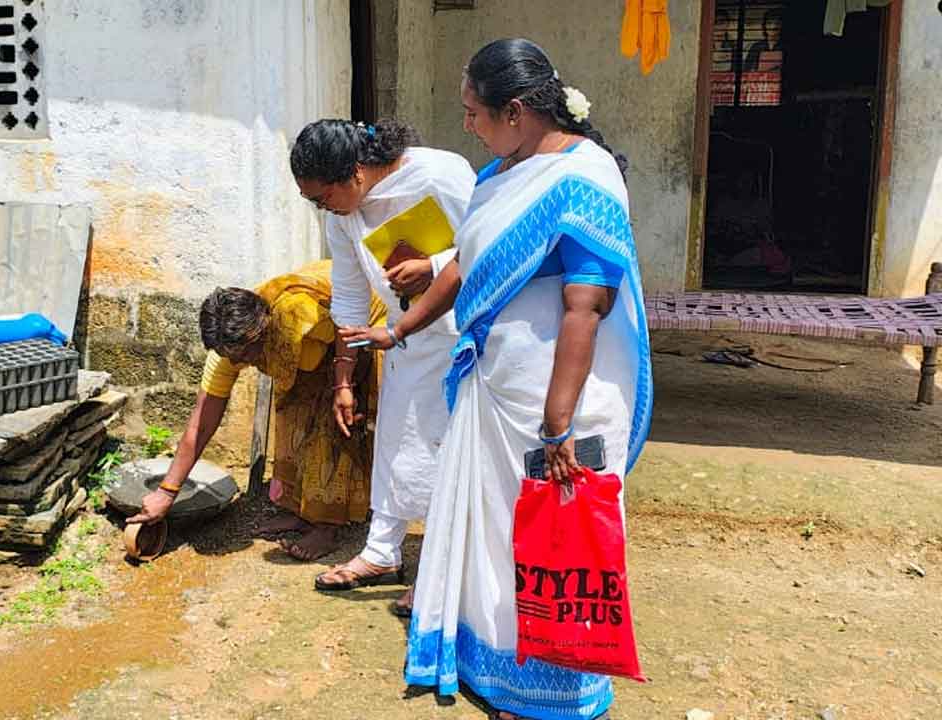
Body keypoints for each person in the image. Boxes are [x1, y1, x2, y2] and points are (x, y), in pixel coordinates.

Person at [342, 39, 652, 719]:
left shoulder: (584, 177)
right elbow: (460, 268)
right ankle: (495, 666)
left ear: (515, 111)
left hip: (556, 397)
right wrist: (399, 330)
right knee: (495, 531)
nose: (469, 126)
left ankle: (552, 692)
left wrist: (559, 421)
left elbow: (586, 304)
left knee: (551, 538)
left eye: (474, 112)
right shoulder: (498, 175)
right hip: (495, 385)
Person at [291, 120, 473, 615]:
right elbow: (350, 297)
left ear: (355, 173)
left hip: (464, 341)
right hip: (402, 342)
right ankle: (381, 553)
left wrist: (433, 268)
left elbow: (490, 245)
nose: (322, 208)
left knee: (444, 456)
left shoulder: (439, 176)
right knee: (396, 448)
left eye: (324, 197)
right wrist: (344, 380)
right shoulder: (343, 215)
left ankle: (440, 569)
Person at [125, 261, 386, 558]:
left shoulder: (298, 315)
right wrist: (166, 491)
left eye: (246, 355)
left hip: (356, 330)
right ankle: (300, 511)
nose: (239, 364)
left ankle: (327, 525)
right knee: (291, 418)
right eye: (231, 357)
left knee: (333, 422)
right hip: (318, 340)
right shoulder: (228, 350)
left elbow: (348, 326)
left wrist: (346, 385)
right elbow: (200, 423)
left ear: (263, 332)